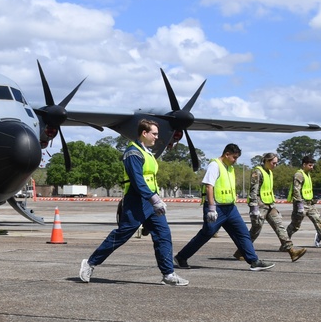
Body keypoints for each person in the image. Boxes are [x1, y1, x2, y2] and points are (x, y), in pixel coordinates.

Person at [79, 119, 188, 285]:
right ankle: (90, 263)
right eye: (154, 134)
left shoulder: (147, 153)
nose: (157, 137)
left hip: (151, 201)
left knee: (163, 234)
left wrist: (156, 199)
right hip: (137, 200)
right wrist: (154, 199)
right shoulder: (133, 152)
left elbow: (149, 179)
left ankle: (168, 274)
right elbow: (137, 180)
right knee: (122, 235)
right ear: (144, 133)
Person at [174, 143, 275, 271]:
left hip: (230, 208)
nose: (235, 160)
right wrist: (211, 208)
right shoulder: (214, 165)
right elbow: (209, 186)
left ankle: (254, 261)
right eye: (234, 157)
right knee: (207, 233)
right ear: (226, 154)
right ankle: (181, 257)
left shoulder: (230, 168)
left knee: (242, 233)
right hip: (217, 207)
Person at [243, 153, 306, 262]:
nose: (275, 165)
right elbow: (253, 191)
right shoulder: (257, 172)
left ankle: (292, 252)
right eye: (273, 163)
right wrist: (254, 208)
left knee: (279, 226)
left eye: (276, 163)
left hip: (270, 205)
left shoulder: (270, 173)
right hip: (260, 205)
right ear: (266, 161)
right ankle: (242, 251)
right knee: (255, 230)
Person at [286, 156, 321, 251]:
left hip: (310, 204)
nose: (312, 167)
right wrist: (299, 205)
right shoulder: (299, 175)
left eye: (312, 165)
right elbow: (296, 191)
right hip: (301, 204)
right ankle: (285, 242)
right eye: (310, 165)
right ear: (304, 165)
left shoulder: (307, 174)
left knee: (319, 222)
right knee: (295, 226)